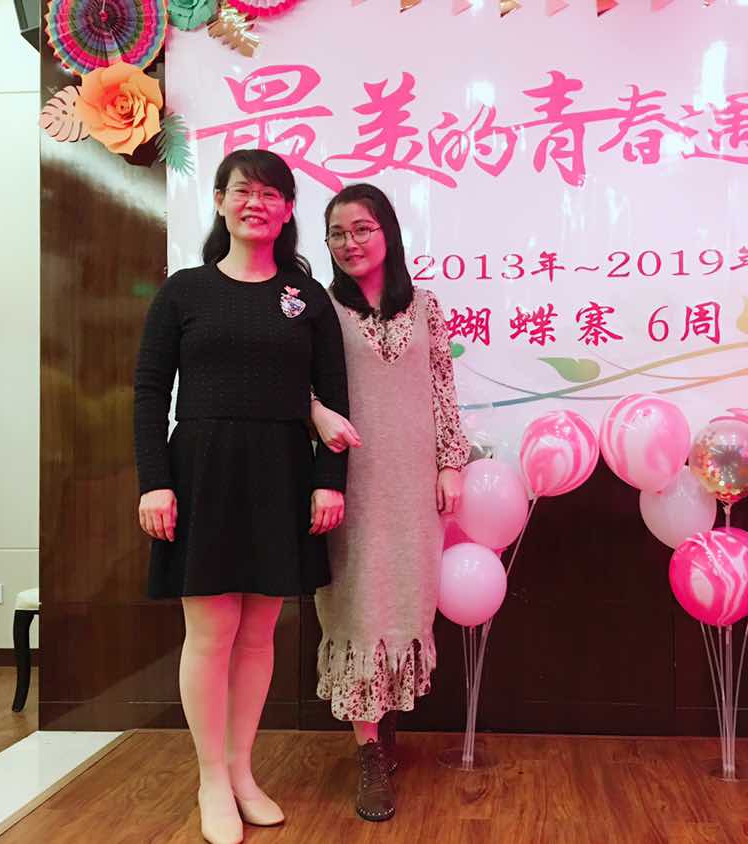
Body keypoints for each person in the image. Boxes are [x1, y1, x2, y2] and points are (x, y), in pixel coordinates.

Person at [133, 149, 349, 844]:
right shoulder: (184, 291)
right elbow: (149, 393)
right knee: (211, 632)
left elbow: (333, 399)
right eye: (242, 191)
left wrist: (328, 480)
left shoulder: (306, 297)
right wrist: (155, 480)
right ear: (220, 202)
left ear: (287, 211)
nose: (256, 203)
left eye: (271, 194)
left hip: (281, 470)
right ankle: (210, 779)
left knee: (259, 633)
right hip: (200, 470)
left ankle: (241, 771)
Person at [309, 183, 470, 822]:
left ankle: (387, 723)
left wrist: (451, 463)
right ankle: (369, 753)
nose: (350, 243)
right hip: (348, 484)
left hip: (413, 486)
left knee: (403, 602)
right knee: (357, 604)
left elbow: (442, 388)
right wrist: (315, 414)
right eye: (337, 233)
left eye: (362, 229)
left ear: (388, 233)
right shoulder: (319, 308)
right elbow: (293, 384)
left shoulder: (425, 306)